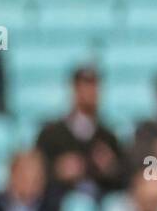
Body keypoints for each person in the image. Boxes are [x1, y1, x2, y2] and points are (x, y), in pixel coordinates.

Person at [35, 67, 124, 198]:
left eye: (94, 86)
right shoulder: (50, 135)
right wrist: (57, 170)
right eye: (84, 86)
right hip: (58, 204)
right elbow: (35, 172)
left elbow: (123, 180)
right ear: (74, 90)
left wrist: (110, 168)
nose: (89, 92)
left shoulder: (108, 137)